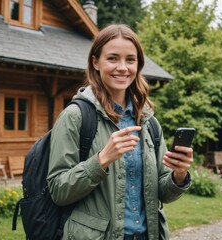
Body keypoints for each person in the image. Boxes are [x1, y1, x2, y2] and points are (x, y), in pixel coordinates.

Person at [47, 24, 193, 240]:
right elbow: (58, 190)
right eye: (113, 58)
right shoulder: (75, 116)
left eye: (130, 60)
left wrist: (178, 176)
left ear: (138, 65)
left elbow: (162, 193)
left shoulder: (148, 121)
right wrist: (102, 160)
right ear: (95, 62)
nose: (123, 67)